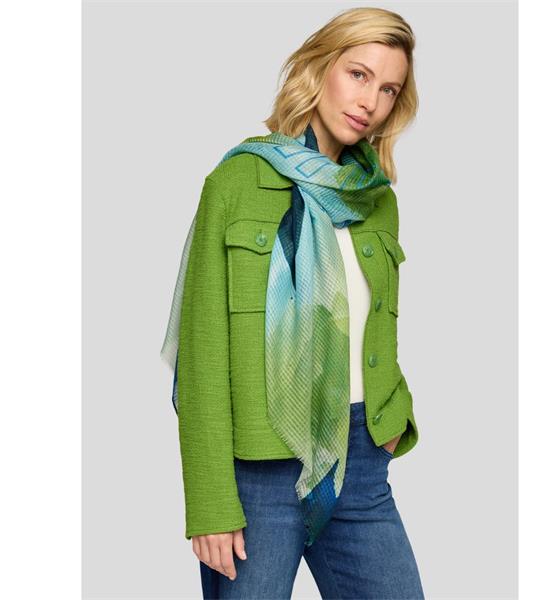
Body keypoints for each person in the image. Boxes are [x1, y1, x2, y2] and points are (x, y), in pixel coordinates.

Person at [160, 6, 425, 599]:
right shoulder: (236, 183)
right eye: (358, 75)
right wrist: (210, 501)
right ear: (320, 66)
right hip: (259, 474)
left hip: (360, 464)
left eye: (388, 89)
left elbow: (377, 326)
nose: (370, 102)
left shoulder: (376, 200)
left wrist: (395, 416)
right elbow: (203, 356)